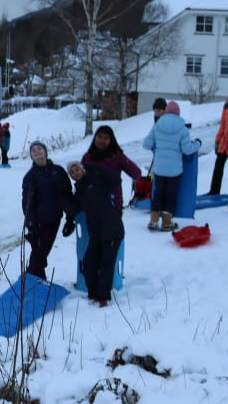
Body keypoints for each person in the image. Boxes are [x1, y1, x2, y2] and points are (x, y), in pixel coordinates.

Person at [68, 161, 123, 306]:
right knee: (88, 263)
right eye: (72, 172)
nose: (75, 173)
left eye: (77, 169)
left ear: (83, 169)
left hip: (112, 230)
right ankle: (93, 294)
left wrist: (96, 167)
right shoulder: (79, 193)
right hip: (96, 235)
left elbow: (116, 180)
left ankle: (103, 297)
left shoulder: (98, 180)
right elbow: (72, 208)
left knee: (106, 264)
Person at [142, 101, 200, 232]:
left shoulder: (157, 126)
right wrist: (197, 144)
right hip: (175, 170)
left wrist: (157, 146)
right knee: (171, 194)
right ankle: (167, 222)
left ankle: (153, 220)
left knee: (158, 193)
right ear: (178, 113)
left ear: (166, 112)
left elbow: (146, 144)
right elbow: (187, 149)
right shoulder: (182, 128)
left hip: (159, 169)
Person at [21, 141, 75, 280]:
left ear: (45, 151)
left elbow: (66, 194)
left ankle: (35, 279)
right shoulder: (30, 177)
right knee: (39, 253)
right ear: (31, 156)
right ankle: (33, 280)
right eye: (33, 150)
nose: (37, 151)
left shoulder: (58, 171)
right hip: (39, 222)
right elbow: (27, 204)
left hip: (55, 218)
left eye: (40, 148)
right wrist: (31, 225)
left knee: (42, 253)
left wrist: (70, 217)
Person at [80, 124, 143, 210]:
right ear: (95, 138)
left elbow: (137, 174)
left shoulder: (117, 157)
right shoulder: (87, 157)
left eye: (106, 138)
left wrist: (123, 160)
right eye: (99, 137)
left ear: (111, 140)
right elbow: (79, 178)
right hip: (90, 202)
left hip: (112, 203)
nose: (102, 140)